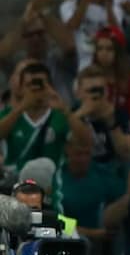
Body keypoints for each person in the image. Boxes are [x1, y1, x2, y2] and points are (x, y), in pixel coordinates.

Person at [0, 63, 93, 207]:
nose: (36, 89)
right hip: (13, 191)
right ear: (21, 88)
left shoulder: (59, 117)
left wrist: (65, 110)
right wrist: (22, 107)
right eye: (30, 84)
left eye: (41, 84)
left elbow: (86, 141)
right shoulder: (9, 115)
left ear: (49, 86)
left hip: (50, 193)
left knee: (50, 227)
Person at [0, 0, 77, 106]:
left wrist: (44, 11)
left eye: (40, 33)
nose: (36, 38)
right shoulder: (17, 63)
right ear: (22, 40)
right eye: (30, 35)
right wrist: (24, 21)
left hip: (59, 117)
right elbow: (2, 52)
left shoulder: (59, 60)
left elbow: (70, 46)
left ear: (48, 36)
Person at [60, 0, 124, 72]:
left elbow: (116, 32)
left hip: (111, 66)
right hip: (85, 64)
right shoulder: (69, 6)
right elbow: (73, 25)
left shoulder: (115, 5)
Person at [73, 64, 130, 171]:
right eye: (90, 91)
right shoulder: (72, 115)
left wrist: (111, 122)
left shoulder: (119, 114)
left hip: (111, 174)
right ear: (78, 93)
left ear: (107, 91)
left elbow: (128, 155)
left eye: (99, 90)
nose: (96, 96)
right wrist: (78, 117)